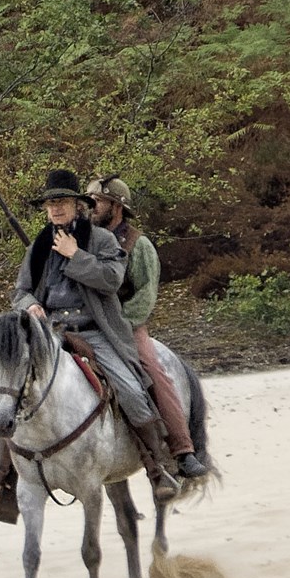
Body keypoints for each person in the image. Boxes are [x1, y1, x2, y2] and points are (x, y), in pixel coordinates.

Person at [0, 168, 194, 522]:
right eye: (49, 204)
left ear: (77, 205)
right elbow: (20, 290)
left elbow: (110, 280)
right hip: (50, 333)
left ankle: (157, 468)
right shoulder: (39, 246)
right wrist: (29, 305)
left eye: (61, 202)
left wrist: (76, 256)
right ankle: (5, 483)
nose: (55, 210)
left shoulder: (102, 242)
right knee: (12, 395)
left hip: (95, 331)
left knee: (132, 390)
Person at [87, 174, 203, 476]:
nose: (91, 207)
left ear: (117, 206)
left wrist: (118, 324)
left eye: (97, 202)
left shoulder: (140, 246)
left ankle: (182, 448)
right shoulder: (86, 240)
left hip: (126, 327)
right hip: (84, 324)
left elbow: (145, 296)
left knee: (153, 369)